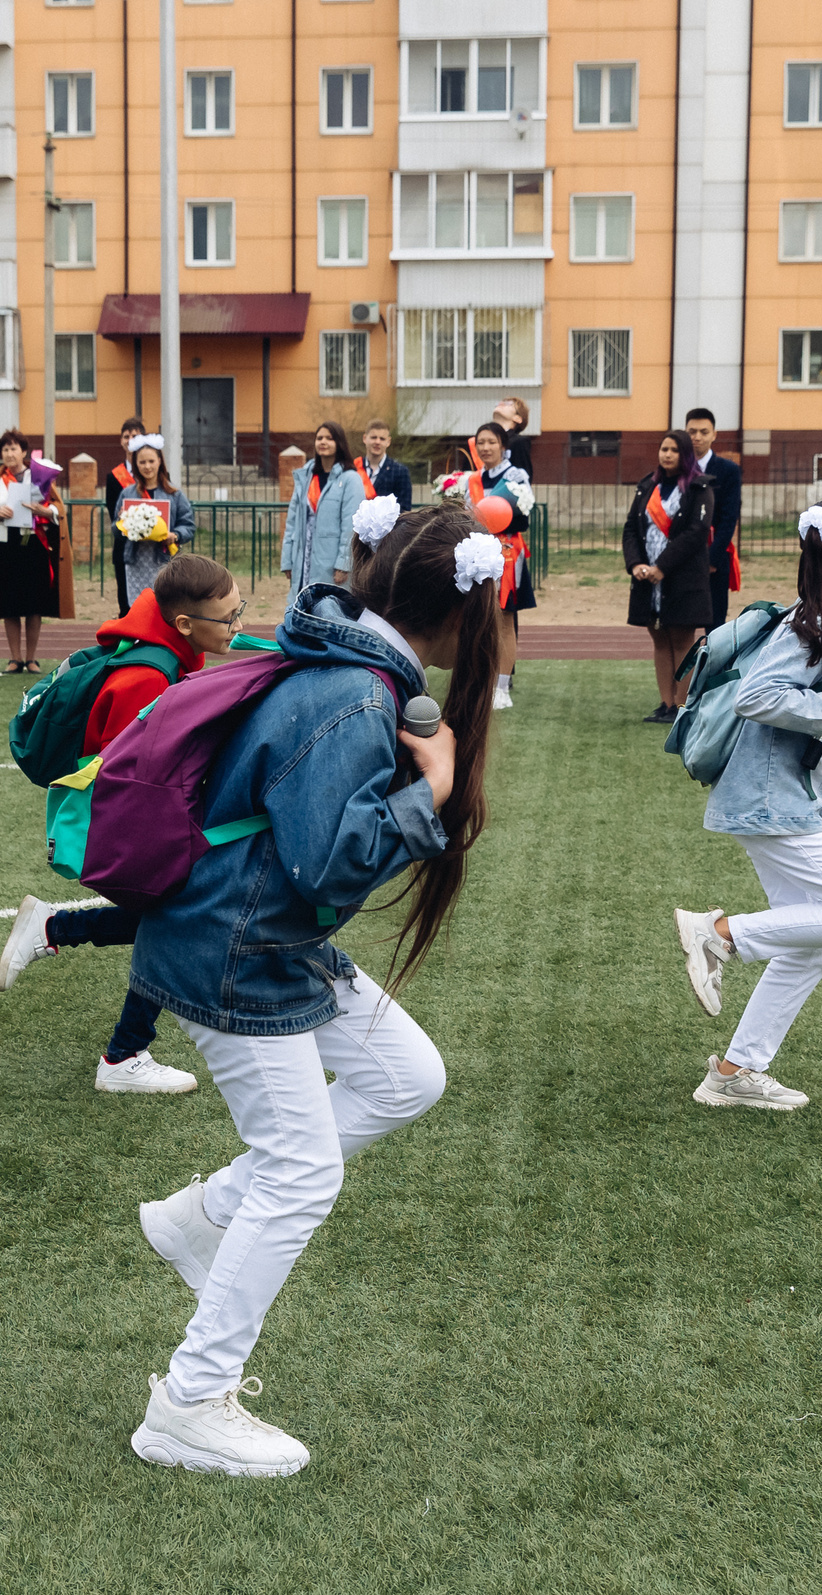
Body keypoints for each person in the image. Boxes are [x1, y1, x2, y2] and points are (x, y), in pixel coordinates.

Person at [125, 503, 498, 1479]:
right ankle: (188, 1403)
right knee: (301, 1172)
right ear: (458, 611)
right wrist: (432, 792)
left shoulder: (352, 665)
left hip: (255, 929)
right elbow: (328, 864)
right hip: (235, 943)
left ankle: (201, 1219)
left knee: (406, 1076)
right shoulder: (356, 695)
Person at [673, 497, 822, 1113]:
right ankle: (718, 934)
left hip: (778, 798)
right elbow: (757, 696)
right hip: (772, 802)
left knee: (813, 944)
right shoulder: (812, 624)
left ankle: (734, 1073)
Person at [0, 555, 244, 1096]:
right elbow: (131, 771)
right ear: (185, 623)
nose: (238, 624)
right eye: (229, 617)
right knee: (178, 921)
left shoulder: (168, 651)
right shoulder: (147, 676)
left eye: (239, 610)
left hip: (146, 815)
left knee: (175, 919)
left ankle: (54, 932)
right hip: (130, 821)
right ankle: (123, 1055)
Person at [437, 421, 533, 709]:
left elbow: (523, 519)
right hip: (476, 555)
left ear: (503, 445)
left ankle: (502, 687)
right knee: (474, 618)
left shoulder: (516, 477)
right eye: (481, 442)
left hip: (506, 555)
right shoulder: (472, 480)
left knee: (504, 621)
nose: (486, 447)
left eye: (491, 442)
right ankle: (478, 681)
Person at [622, 429, 713, 722]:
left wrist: (662, 566)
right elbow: (631, 529)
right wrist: (636, 564)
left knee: (682, 641)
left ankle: (681, 705)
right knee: (659, 639)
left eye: (674, 450)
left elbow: (696, 533)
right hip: (648, 579)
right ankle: (665, 703)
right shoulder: (648, 486)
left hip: (681, 578)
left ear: (685, 454)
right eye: (664, 449)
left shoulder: (699, 488)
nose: (668, 455)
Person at [0, 429, 65, 673]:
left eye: (14, 448)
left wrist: (45, 511)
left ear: (23, 452)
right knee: (9, 603)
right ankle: (15, 658)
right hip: (4, 545)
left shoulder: (38, 476)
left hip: (33, 544)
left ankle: (32, 658)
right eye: (5, 449)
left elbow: (58, 507)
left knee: (34, 604)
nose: (9, 453)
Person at [281, 421, 363, 603]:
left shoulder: (350, 479)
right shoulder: (306, 477)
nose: (323, 442)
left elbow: (351, 526)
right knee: (301, 608)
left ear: (339, 443)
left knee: (327, 608)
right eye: (319, 438)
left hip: (331, 563)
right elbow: (292, 521)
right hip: (303, 559)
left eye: (329, 438)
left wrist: (344, 563)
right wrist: (288, 559)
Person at [683, 408, 742, 640]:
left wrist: (712, 559)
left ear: (714, 434)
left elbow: (729, 518)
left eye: (703, 432)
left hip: (714, 558)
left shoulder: (729, 471)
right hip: (682, 558)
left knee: (715, 626)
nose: (697, 437)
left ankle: (714, 664)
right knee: (681, 625)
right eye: (692, 431)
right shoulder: (677, 469)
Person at [116, 437, 195, 607]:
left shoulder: (174, 494)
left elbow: (188, 525)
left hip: (165, 562)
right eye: (142, 462)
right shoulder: (127, 494)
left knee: (164, 607)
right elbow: (115, 530)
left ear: (160, 461)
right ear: (136, 464)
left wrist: (176, 535)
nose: (147, 466)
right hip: (136, 562)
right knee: (139, 609)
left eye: (151, 461)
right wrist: (122, 522)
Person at [109, 417, 149, 618]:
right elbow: (113, 515)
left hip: (152, 549)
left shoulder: (156, 474)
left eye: (135, 436)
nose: (130, 440)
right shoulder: (114, 476)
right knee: (127, 607)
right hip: (125, 547)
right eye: (126, 436)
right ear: (121, 441)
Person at [363, 420, 412, 508]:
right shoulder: (353, 468)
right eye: (373, 437)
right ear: (365, 438)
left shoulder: (400, 471)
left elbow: (405, 509)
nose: (377, 442)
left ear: (388, 441)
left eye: (382, 439)